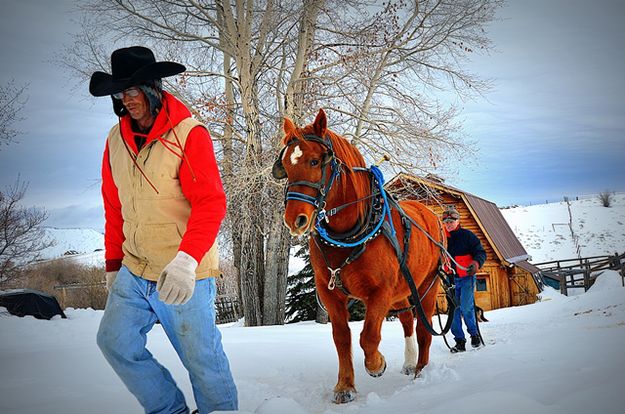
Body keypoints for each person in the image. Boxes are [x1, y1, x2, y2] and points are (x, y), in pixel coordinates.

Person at [90, 46, 237, 414]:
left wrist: (187, 261)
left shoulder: (189, 134)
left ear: (153, 87)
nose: (127, 99)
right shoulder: (114, 140)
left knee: (201, 359)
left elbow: (211, 203)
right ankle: (168, 410)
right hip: (136, 269)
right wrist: (113, 265)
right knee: (115, 343)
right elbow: (114, 207)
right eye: (120, 92)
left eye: (134, 89)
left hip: (184, 270)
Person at [442, 205, 487, 353]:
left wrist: (476, 263)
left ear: (457, 221)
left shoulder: (467, 236)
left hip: (466, 277)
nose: (449, 225)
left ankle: (474, 335)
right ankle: (459, 341)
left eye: (451, 222)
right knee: (454, 311)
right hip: (450, 280)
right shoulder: (441, 239)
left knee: (467, 308)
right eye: (446, 222)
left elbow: (480, 252)